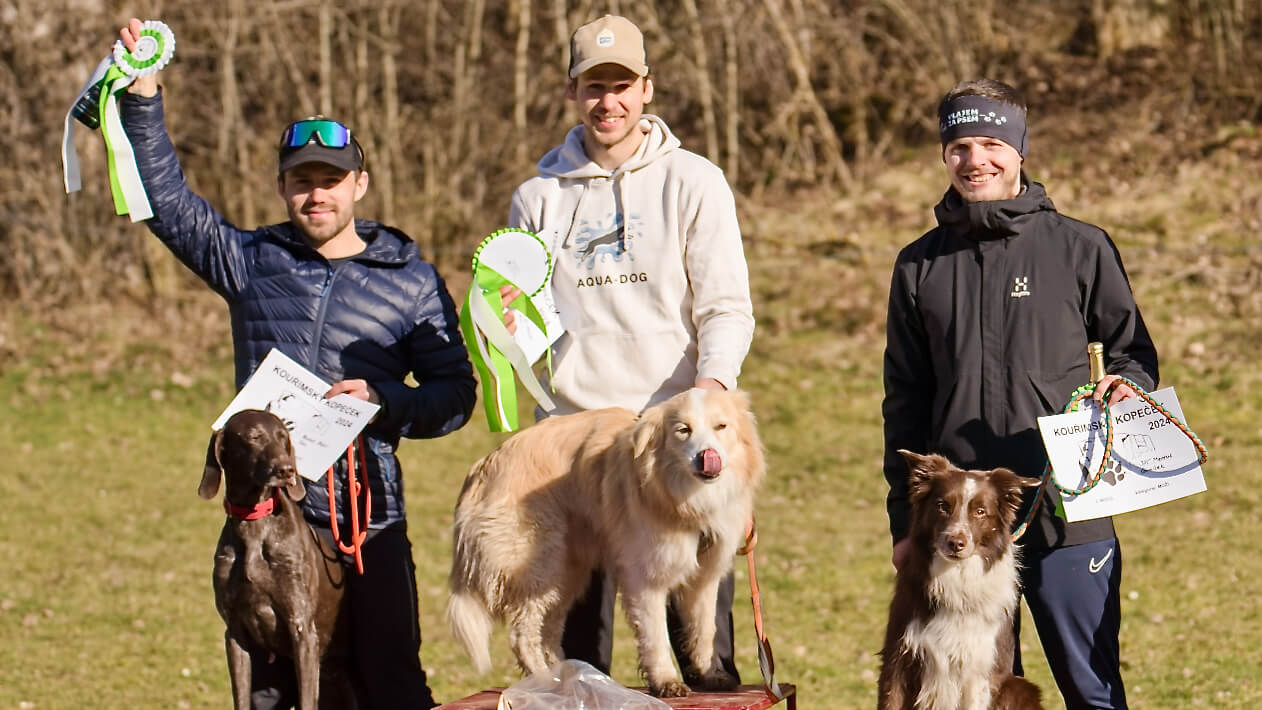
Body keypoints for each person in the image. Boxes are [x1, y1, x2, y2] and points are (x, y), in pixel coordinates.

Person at [114, 18, 476, 710]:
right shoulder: (251, 263)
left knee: (392, 688)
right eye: (303, 181)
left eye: (332, 180)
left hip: (368, 524)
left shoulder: (409, 279)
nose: (319, 195)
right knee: (272, 698)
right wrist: (143, 93)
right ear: (283, 187)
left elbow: (456, 396)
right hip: (269, 518)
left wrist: (386, 403)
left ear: (360, 184)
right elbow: (166, 205)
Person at [882, 77, 1159, 710]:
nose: (975, 158)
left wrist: (1127, 385)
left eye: (990, 142)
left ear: (1019, 150)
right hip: (961, 524)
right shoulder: (918, 265)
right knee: (972, 694)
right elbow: (904, 401)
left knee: (1090, 685)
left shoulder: (1080, 248)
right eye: (958, 145)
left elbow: (1133, 354)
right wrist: (905, 522)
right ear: (943, 154)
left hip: (1069, 511)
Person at [499, 14, 755, 688]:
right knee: (584, 656)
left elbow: (725, 303)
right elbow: (523, 325)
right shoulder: (535, 198)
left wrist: (712, 393)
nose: (606, 102)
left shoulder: (694, 181)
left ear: (646, 88)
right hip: (578, 444)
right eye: (592, 87)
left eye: (620, 85)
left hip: (672, 442)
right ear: (570, 92)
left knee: (699, 651)